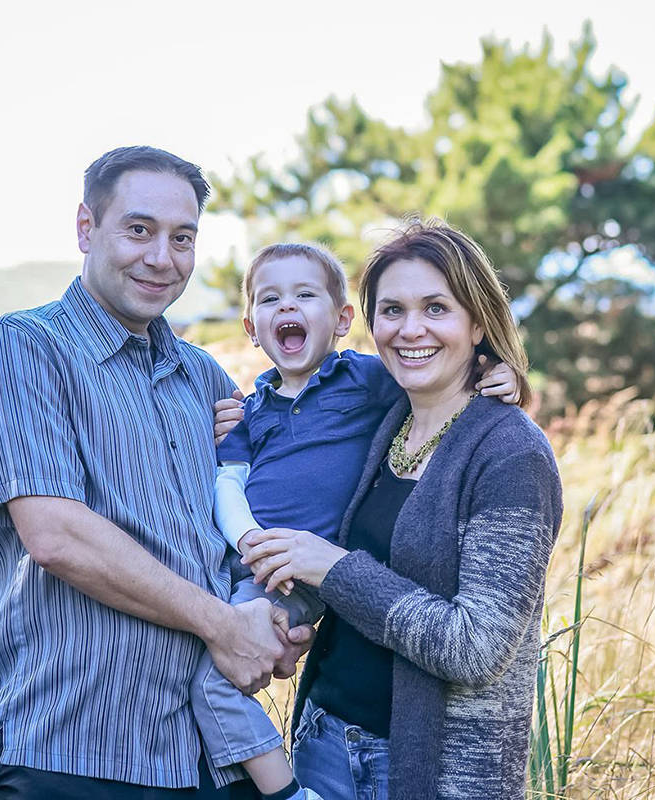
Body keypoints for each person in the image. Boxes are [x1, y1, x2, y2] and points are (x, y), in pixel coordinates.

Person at [0, 145, 311, 799]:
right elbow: (56, 534)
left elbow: (252, 514)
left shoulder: (203, 378)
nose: (161, 258)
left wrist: (271, 619)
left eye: (182, 238)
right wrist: (222, 625)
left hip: (206, 756)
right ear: (87, 229)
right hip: (70, 751)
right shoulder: (22, 349)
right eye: (139, 230)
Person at [241, 219, 562, 800]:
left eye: (436, 308)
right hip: (323, 741)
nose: (410, 330)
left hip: (430, 771)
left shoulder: (509, 452)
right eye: (391, 310)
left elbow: (478, 648)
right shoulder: (385, 421)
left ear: (478, 322)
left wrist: (332, 568)